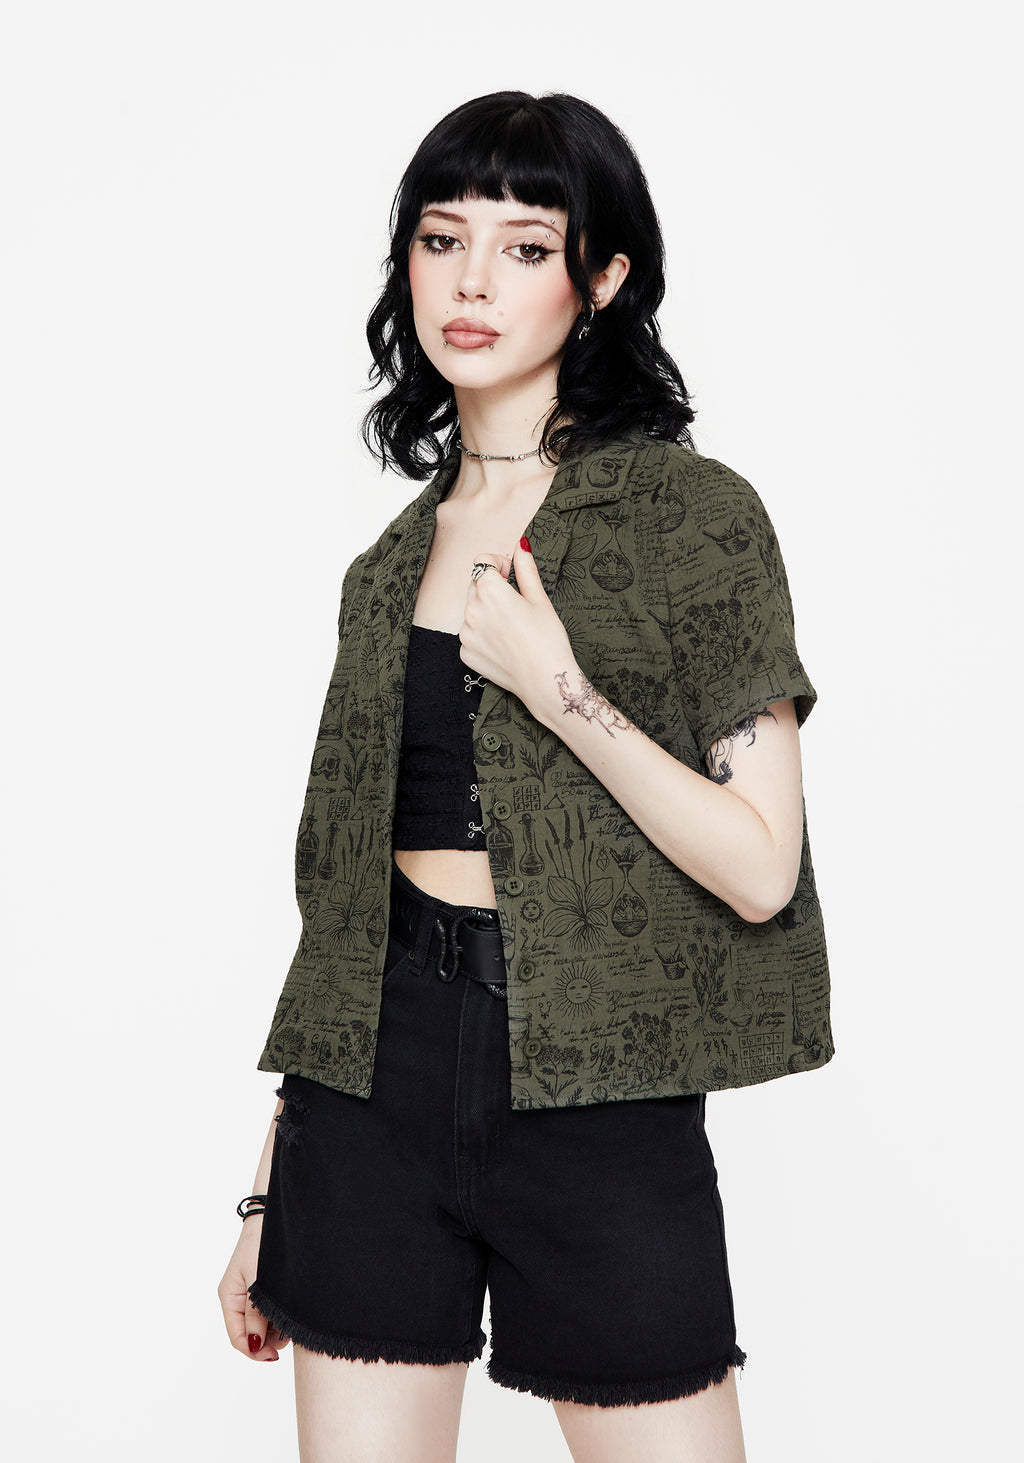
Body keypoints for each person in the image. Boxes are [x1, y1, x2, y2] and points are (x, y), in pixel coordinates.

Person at [218, 90, 833, 1463]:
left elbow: (759, 868)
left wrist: (559, 689)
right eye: (443, 240)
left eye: (527, 247)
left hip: (601, 1091)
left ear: (601, 280)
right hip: (368, 1096)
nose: (474, 282)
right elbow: (341, 916)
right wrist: (267, 1193)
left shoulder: (693, 518)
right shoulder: (388, 565)